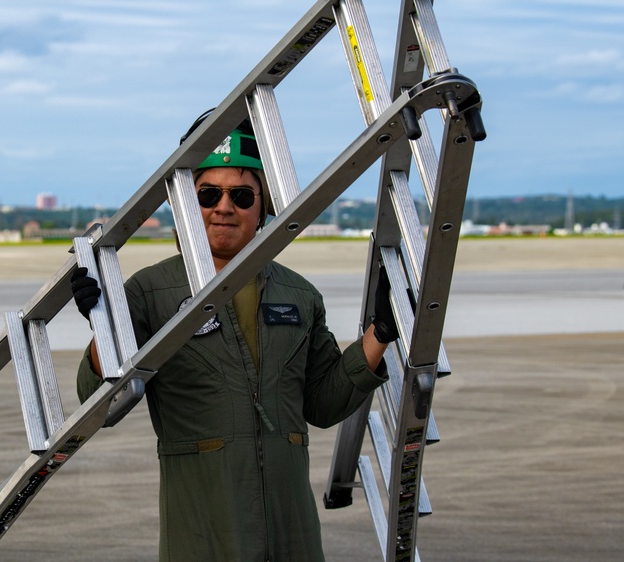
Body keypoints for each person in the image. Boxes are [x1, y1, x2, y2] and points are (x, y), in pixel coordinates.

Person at [71, 112, 396, 561]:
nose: (224, 207)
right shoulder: (147, 294)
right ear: (187, 203)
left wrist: (380, 332)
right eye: (208, 194)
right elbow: (98, 405)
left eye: (242, 195)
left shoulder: (299, 296)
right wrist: (102, 327)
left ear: (262, 207)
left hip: (292, 533)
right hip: (203, 532)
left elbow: (323, 404)